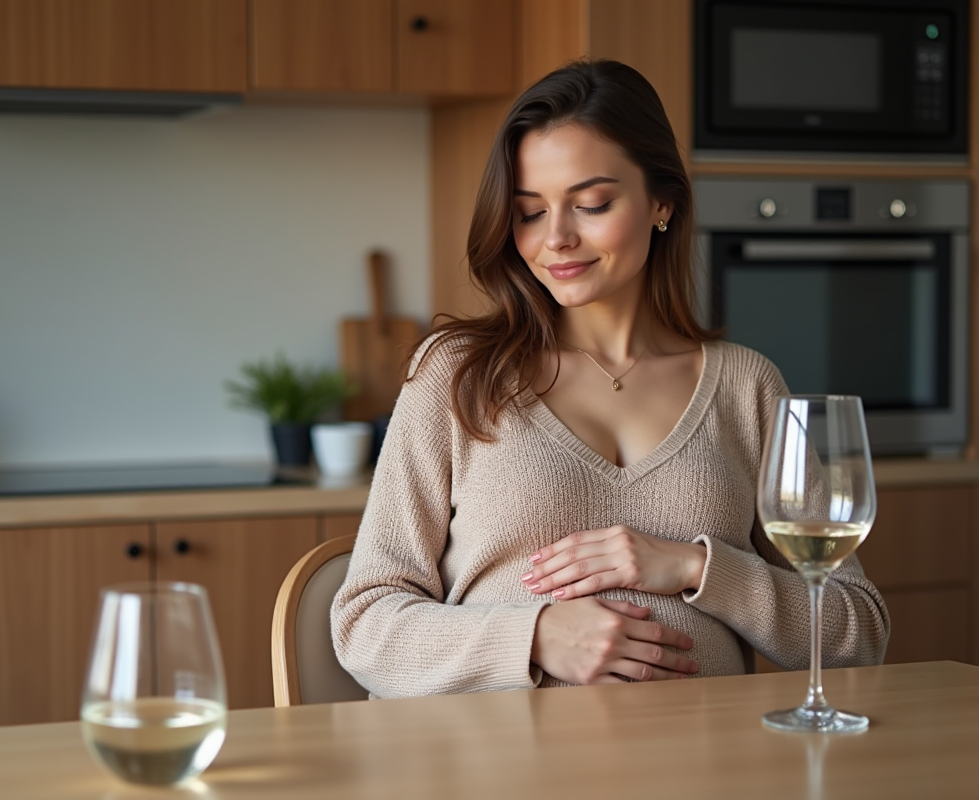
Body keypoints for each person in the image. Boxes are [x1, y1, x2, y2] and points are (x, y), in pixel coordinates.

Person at [331, 59, 889, 698]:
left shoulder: (747, 386)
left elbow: (860, 635)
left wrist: (695, 566)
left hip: (707, 769)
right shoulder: (456, 376)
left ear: (662, 202)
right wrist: (535, 637)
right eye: (530, 212)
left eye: (592, 204)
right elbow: (363, 623)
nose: (557, 238)